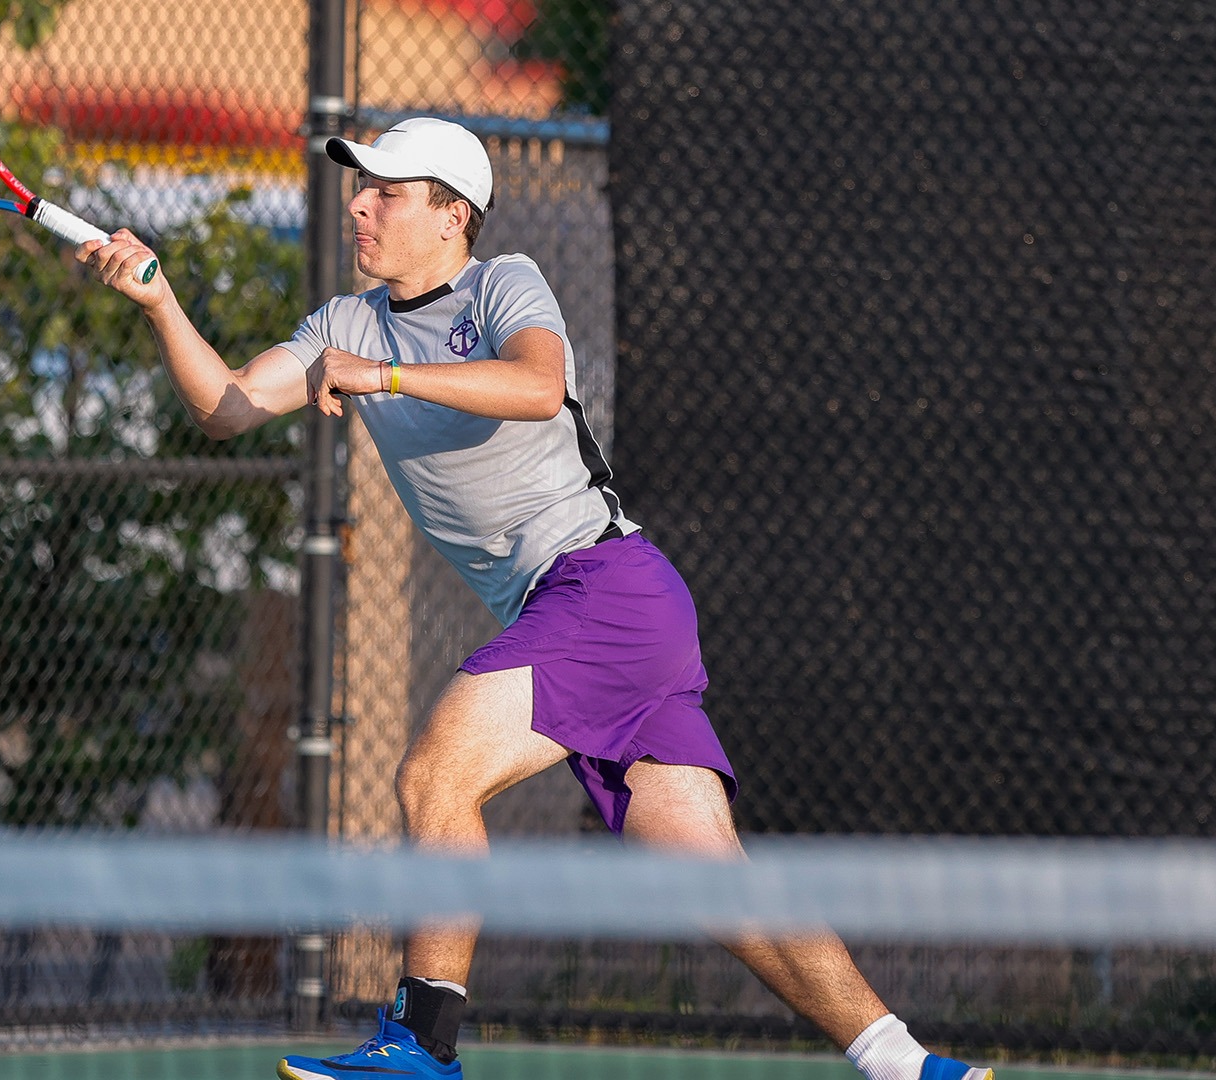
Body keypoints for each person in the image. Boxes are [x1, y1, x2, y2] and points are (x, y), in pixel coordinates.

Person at [80, 117, 992, 1080]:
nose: (359, 203)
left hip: (606, 586)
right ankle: (904, 1063)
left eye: (387, 190)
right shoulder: (343, 324)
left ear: (452, 213)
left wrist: (382, 375)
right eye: (362, 187)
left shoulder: (500, 281)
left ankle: (421, 1045)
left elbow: (535, 384)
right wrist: (161, 305)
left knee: (437, 775)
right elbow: (226, 406)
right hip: (598, 615)